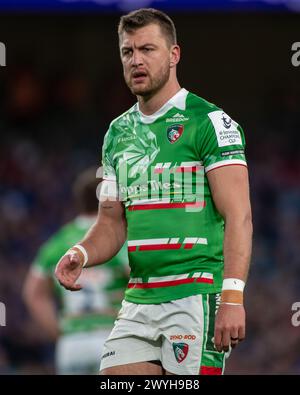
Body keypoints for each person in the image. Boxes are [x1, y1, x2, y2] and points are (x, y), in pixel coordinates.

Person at [55, 8, 252, 375]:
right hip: (139, 299)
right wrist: (81, 252)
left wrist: (233, 296)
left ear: (174, 54)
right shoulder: (117, 133)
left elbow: (238, 216)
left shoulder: (209, 122)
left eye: (148, 49)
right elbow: (112, 225)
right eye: (128, 52)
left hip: (196, 296)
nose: (137, 60)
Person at [23, 167, 129, 374]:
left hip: (71, 345)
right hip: (111, 336)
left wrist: (60, 333)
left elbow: (33, 293)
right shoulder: (116, 238)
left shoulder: (56, 243)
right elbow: (136, 274)